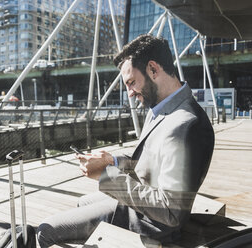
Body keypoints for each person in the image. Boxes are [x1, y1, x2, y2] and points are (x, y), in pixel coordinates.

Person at [37, 34, 215, 247]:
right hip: (140, 203)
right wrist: (111, 161)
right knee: (83, 202)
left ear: (153, 69)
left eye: (131, 83)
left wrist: (105, 175)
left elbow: (171, 212)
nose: (130, 93)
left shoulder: (187, 124)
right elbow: (150, 158)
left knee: (45, 232)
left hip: (151, 223)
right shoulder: (162, 107)